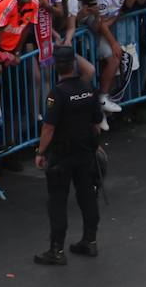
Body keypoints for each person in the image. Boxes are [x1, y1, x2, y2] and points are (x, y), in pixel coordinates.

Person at [32, 45, 101, 265]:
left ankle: (57, 250)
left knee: (57, 203)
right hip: (84, 153)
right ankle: (89, 241)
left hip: (62, 155)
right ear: (73, 64)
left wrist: (40, 152)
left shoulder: (57, 94)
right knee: (87, 197)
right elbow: (96, 123)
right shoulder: (88, 88)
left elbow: (48, 128)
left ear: (55, 66)